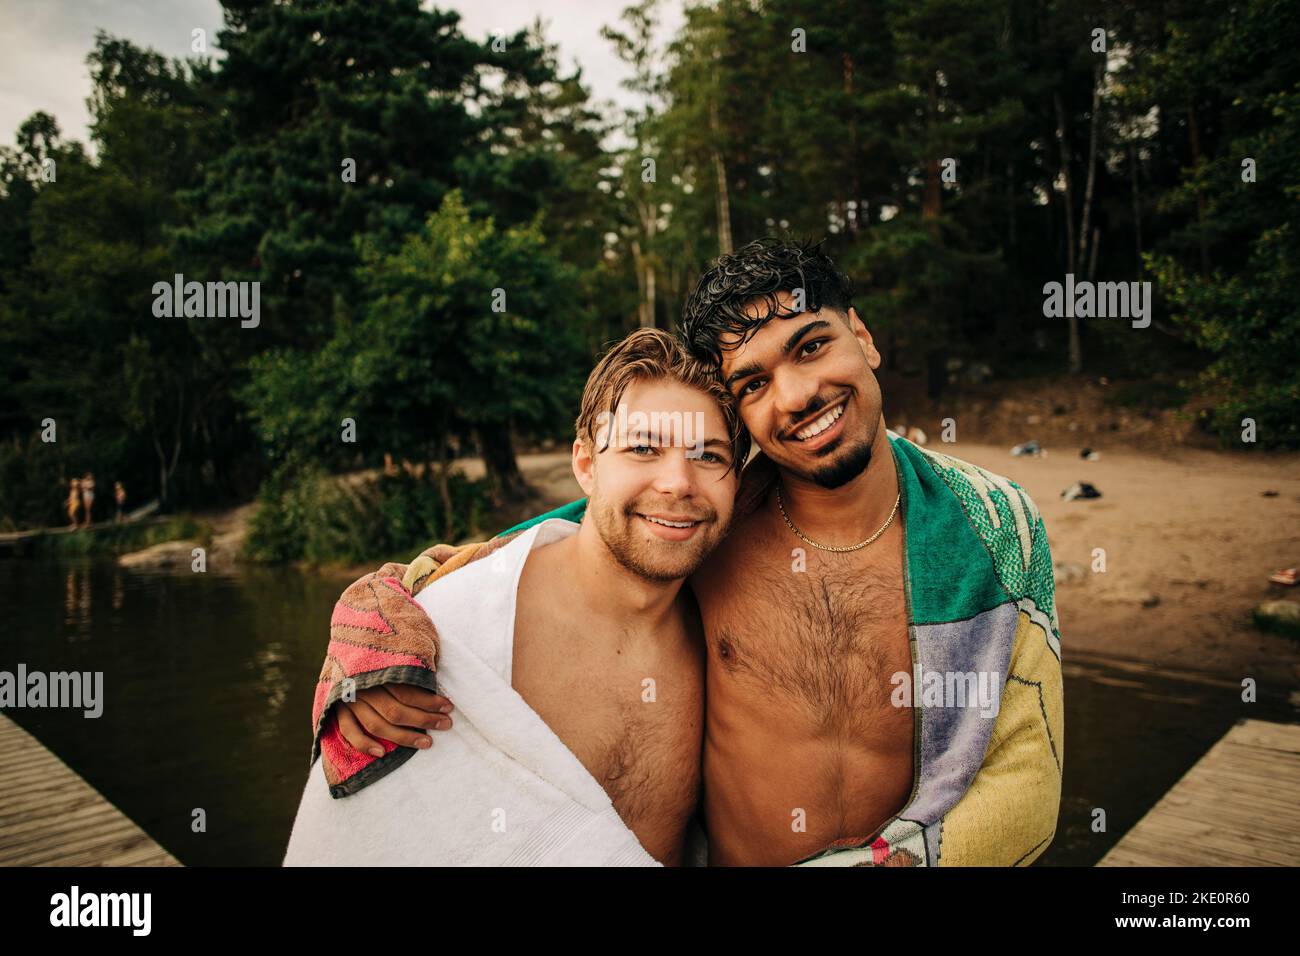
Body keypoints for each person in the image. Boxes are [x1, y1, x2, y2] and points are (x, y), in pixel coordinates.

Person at [309, 239, 1064, 867]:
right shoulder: (710, 522)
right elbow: (539, 548)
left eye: (812, 345)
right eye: (754, 382)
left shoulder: (993, 527)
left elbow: (1030, 770)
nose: (797, 394)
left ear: (861, 337)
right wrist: (374, 615)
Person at [283, 329, 744, 865]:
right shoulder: (441, 629)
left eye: (708, 455)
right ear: (586, 464)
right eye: (643, 448)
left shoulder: (728, 628)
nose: (677, 483)